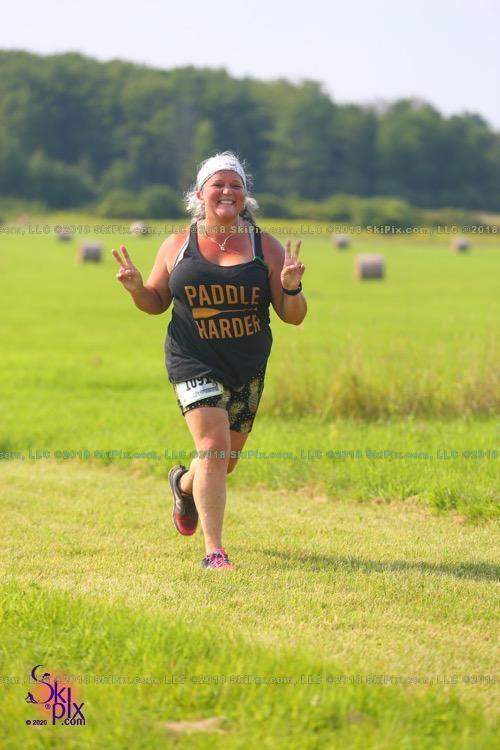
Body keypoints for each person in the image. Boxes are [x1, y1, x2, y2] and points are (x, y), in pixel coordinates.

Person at [113, 151, 306, 570]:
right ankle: (214, 552)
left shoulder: (265, 246)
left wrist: (291, 288)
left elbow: (293, 317)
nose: (227, 191)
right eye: (218, 184)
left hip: (247, 367)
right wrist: (136, 289)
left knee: (222, 462)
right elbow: (155, 302)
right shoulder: (177, 244)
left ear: (245, 195)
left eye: (236, 185)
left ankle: (183, 485)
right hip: (192, 360)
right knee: (214, 449)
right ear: (200, 194)